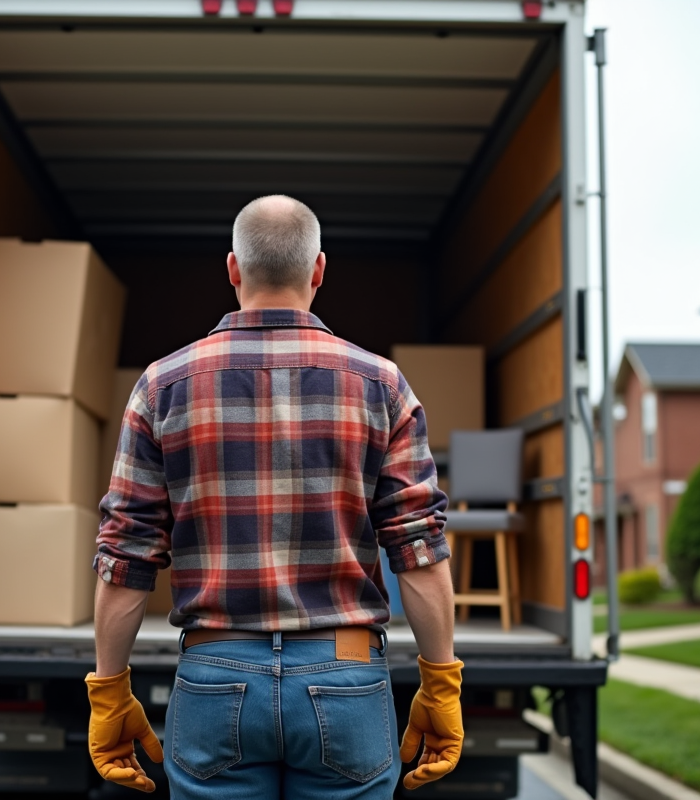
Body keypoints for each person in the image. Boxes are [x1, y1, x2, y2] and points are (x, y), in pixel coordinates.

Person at [85, 195, 464, 799]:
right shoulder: (382, 386)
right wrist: (440, 681)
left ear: (233, 269)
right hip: (347, 678)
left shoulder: (161, 387)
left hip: (215, 678)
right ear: (318, 271)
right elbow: (417, 548)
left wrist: (108, 690)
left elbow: (126, 555)